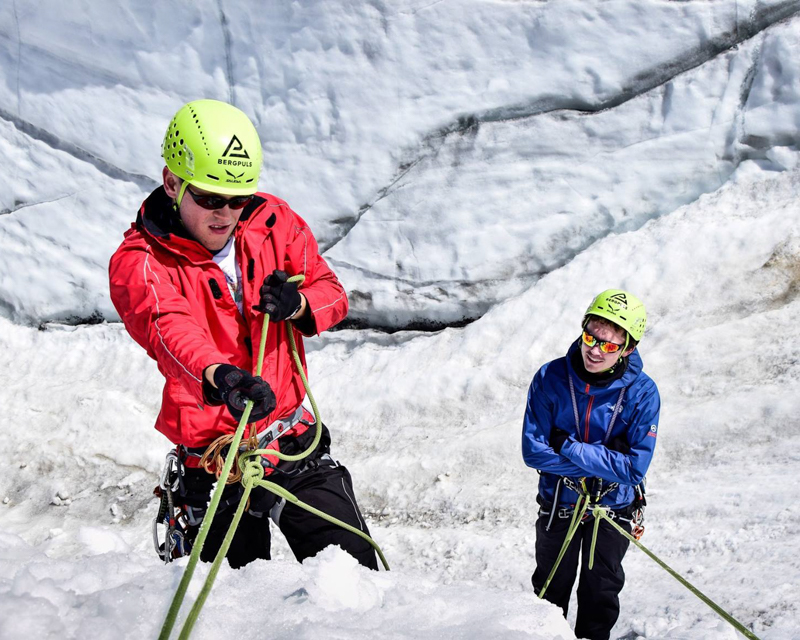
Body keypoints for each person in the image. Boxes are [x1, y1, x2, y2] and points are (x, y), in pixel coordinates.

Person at [109, 99, 377, 570]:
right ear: (173, 183)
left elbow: (333, 294)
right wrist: (219, 376)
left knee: (356, 582)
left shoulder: (274, 221)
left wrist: (300, 306)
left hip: (293, 443)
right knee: (225, 615)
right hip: (213, 462)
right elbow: (168, 329)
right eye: (210, 198)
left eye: (238, 199)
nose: (226, 213)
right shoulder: (142, 263)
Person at [521, 290, 660, 640]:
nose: (595, 350)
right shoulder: (550, 378)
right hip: (559, 502)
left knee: (600, 594)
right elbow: (533, 452)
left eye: (610, 345)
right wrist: (605, 461)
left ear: (628, 348)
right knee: (548, 592)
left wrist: (568, 446)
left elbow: (633, 469)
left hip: (613, 508)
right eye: (590, 338)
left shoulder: (643, 393)